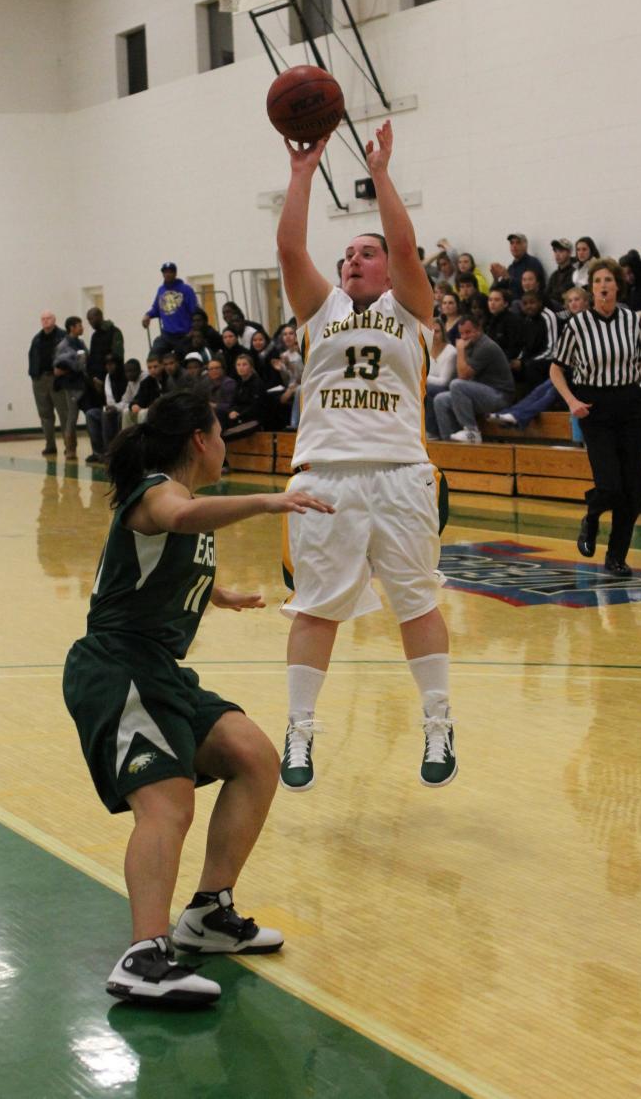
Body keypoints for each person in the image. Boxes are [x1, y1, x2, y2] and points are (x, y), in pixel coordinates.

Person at [62, 386, 333, 1006]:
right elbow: (177, 519)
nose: (224, 446)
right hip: (117, 668)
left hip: (159, 669)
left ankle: (208, 914)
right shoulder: (160, 491)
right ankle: (143, 954)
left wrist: (217, 593)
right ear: (199, 440)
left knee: (254, 757)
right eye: (219, 435)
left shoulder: (179, 498)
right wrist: (269, 500)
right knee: (168, 805)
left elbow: (156, 561)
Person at [275, 119, 457, 792]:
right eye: (347, 254)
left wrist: (380, 173)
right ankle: (299, 729)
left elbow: (405, 245)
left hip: (401, 474)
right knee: (314, 608)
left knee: (416, 601)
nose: (353, 260)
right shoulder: (319, 312)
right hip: (324, 478)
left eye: (366, 253)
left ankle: (438, 721)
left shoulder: (411, 311)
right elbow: (289, 248)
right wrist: (302, 172)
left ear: (387, 269)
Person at [549, 258, 641, 577]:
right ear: (591, 289)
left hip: (630, 403)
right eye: (597, 281)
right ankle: (591, 518)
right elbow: (556, 370)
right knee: (609, 485)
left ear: (618, 286)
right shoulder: (577, 325)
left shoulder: (632, 321)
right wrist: (571, 401)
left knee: (634, 487)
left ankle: (616, 556)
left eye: (608, 280)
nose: (603, 286)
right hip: (594, 407)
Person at [489, 287, 590, 429]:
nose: (573, 303)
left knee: (552, 389)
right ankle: (511, 413)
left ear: (586, 302)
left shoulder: (589, 320)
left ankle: (518, 416)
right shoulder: (569, 321)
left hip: (586, 373)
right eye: (570, 300)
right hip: (571, 370)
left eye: (577, 300)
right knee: (542, 388)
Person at [433, 314, 516, 443]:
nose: (464, 337)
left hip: (500, 396)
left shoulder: (486, 346)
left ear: (478, 330)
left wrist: (460, 350)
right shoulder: (470, 345)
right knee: (441, 400)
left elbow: (463, 376)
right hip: (481, 393)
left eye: (468, 332)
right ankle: (449, 443)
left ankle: (472, 431)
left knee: (457, 385)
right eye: (462, 333)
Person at [28, 310, 66, 456]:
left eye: (48, 318)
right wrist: (33, 375)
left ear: (54, 320)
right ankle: (50, 445)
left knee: (64, 413)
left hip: (57, 379)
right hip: (40, 379)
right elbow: (32, 357)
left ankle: (69, 445)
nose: (45, 321)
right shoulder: (37, 339)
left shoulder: (63, 336)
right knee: (45, 414)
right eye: (43, 319)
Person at [52, 316, 88, 462]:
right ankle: (70, 448)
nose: (82, 328)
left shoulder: (81, 343)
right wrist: (72, 367)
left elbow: (85, 361)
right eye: (79, 325)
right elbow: (58, 368)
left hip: (83, 383)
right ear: (72, 328)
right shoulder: (63, 346)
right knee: (72, 417)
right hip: (71, 385)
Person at [143, 263, 199, 353]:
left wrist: (193, 331)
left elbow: (195, 311)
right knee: (154, 354)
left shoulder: (186, 289)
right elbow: (156, 309)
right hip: (167, 335)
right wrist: (147, 315)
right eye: (165, 272)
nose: (168, 274)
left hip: (184, 334)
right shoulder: (161, 290)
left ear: (175, 273)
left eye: (170, 272)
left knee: (181, 356)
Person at [85, 354, 127, 460]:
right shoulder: (108, 377)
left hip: (122, 409)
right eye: (107, 364)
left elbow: (128, 400)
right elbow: (108, 399)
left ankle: (109, 452)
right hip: (111, 408)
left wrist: (115, 408)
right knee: (91, 414)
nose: (109, 367)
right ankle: (98, 452)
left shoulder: (126, 377)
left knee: (106, 415)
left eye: (111, 364)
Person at [423, 319, 458, 436]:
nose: (433, 335)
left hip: (447, 389)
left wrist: (423, 378)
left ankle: (431, 431)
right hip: (429, 386)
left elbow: (444, 381)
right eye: (430, 331)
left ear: (443, 333)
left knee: (427, 390)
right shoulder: (424, 349)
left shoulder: (450, 352)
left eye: (437, 331)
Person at [490, 233, 546, 301]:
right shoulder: (511, 267)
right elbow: (493, 291)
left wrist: (508, 277)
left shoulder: (532, 263)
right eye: (512, 243)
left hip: (527, 302)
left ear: (525, 246)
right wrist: (495, 279)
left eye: (518, 243)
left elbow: (531, 289)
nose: (514, 246)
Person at [547, 239, 576, 308]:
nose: (557, 254)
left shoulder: (575, 273)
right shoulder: (554, 275)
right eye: (555, 251)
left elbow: (563, 296)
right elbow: (546, 294)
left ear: (569, 253)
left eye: (561, 251)